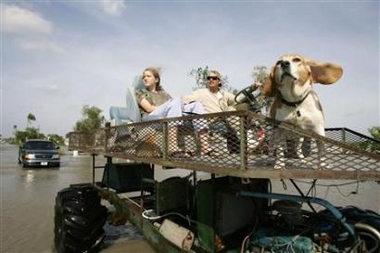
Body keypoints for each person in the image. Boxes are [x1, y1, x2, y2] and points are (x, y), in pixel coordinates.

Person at [135, 67, 210, 158]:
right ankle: (172, 146)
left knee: (196, 105)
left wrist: (179, 107)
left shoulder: (163, 93)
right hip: (152, 117)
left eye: (148, 76)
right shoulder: (140, 92)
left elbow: (174, 105)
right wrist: (170, 106)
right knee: (176, 100)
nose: (145, 78)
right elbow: (149, 108)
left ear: (156, 79)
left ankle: (205, 146)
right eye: (143, 77)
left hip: (167, 114)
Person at [183, 70, 240, 154]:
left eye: (214, 78)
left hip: (224, 120)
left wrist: (253, 87)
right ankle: (236, 150)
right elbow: (185, 99)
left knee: (232, 111)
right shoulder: (201, 93)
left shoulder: (223, 94)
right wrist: (171, 104)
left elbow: (237, 99)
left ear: (219, 81)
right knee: (226, 129)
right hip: (212, 122)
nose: (211, 80)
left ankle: (242, 146)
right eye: (208, 78)